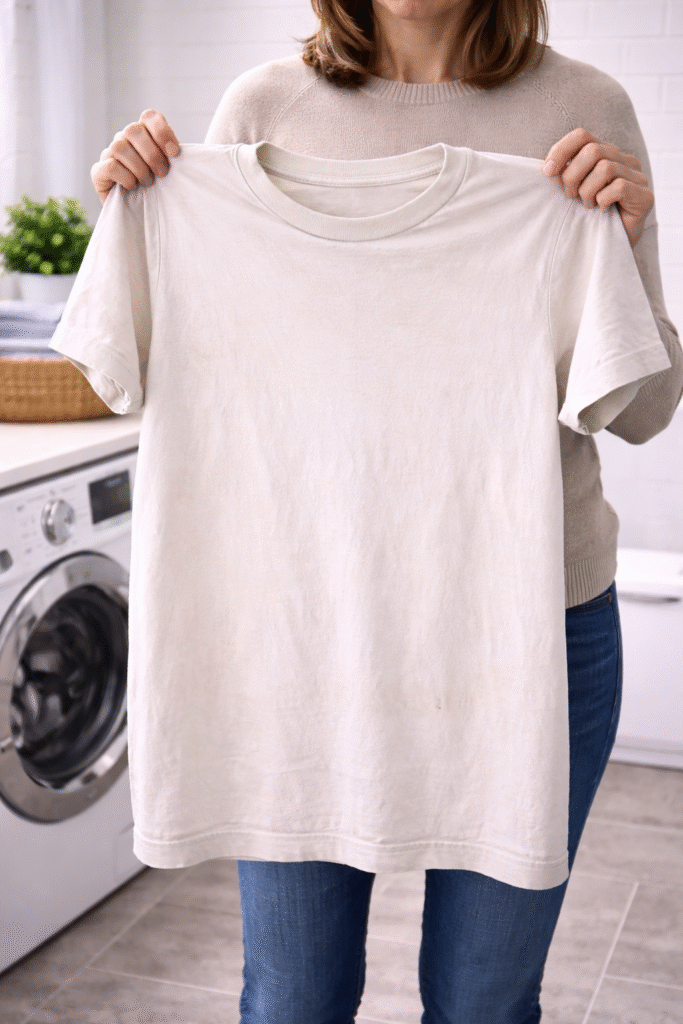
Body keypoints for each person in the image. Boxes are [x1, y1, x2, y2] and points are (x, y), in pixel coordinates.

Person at [89, 2, 682, 1021]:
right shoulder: (259, 110)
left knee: (484, 1002)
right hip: (304, 636)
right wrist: (135, 208)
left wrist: (622, 241)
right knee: (292, 998)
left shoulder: (587, 108)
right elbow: (128, 363)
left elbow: (642, 410)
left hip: (528, 630)